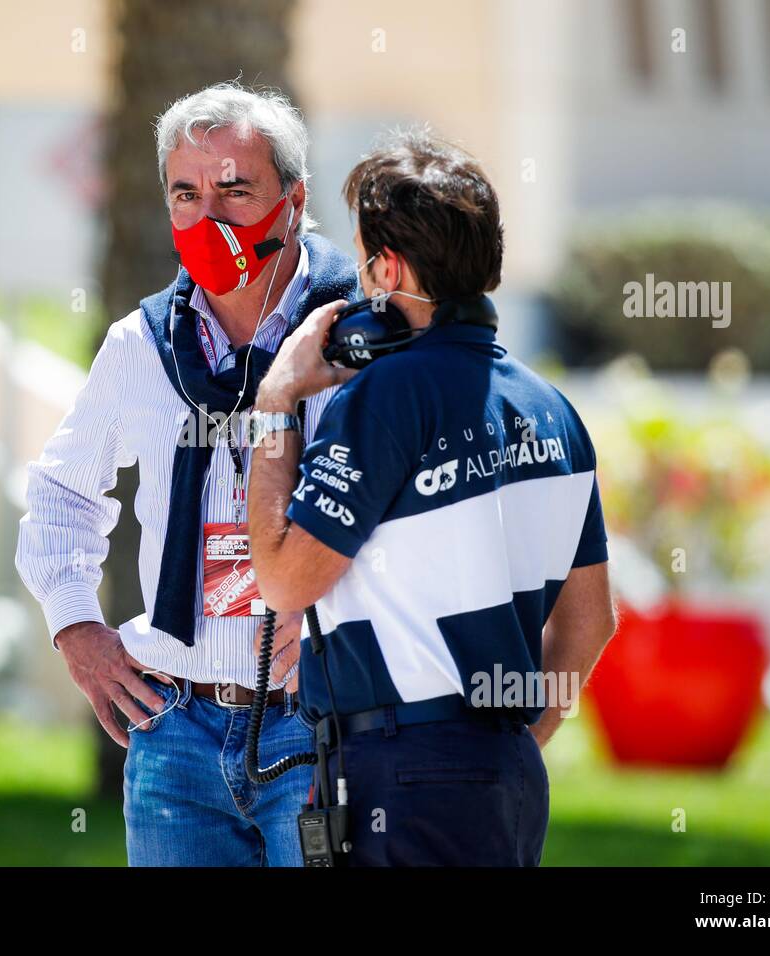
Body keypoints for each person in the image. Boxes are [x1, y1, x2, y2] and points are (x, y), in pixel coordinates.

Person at [246, 129, 618, 866]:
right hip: (503, 773)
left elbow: (285, 577)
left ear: (388, 267)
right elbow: (593, 620)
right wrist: (507, 741)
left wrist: (276, 401)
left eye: (363, 262)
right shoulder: (551, 406)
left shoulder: (388, 395)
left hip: (403, 775)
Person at [15, 82, 360, 866]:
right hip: (174, 734)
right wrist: (74, 625)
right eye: (186, 194)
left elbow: (410, 515)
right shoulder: (141, 345)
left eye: (236, 191)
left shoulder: (359, 337)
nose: (210, 217)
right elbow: (62, 494)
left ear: (294, 199)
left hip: (320, 726)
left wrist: (348, 623)